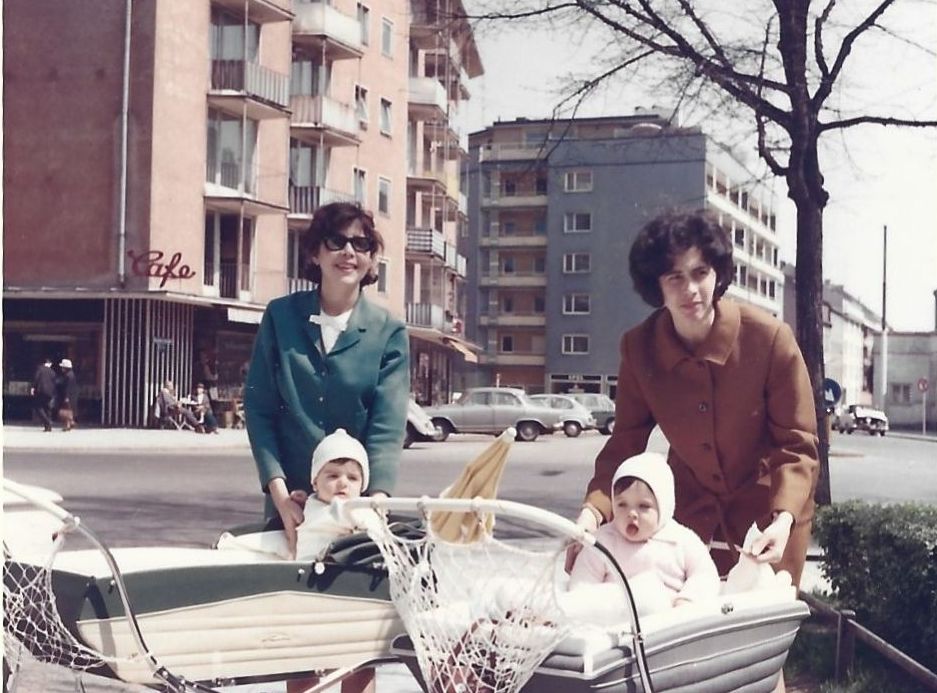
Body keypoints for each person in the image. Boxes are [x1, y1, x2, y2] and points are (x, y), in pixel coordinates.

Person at [571, 209, 819, 593]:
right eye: (675, 277)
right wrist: (592, 512)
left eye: (700, 273)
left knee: (758, 631)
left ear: (717, 273)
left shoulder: (770, 339)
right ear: (657, 285)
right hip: (689, 514)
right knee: (683, 626)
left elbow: (797, 446)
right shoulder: (638, 348)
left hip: (770, 513)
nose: (690, 290)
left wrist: (784, 517)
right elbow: (624, 443)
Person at [245, 201, 410, 558]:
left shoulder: (389, 331)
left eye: (361, 244)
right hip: (290, 502)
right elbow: (259, 410)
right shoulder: (280, 316)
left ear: (371, 259)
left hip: (355, 507)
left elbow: (388, 425)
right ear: (315, 253)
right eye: (336, 241)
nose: (349, 252)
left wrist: (374, 505)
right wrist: (281, 496)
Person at [569, 452, 720, 615]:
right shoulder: (602, 542)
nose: (631, 513)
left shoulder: (682, 540)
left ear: (664, 505)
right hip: (619, 624)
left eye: (643, 506)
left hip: (670, 624)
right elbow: (582, 587)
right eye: (622, 505)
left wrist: (688, 600)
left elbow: (705, 575)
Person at [30, 357, 57, 432]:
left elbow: (36, 378)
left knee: (38, 407)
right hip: (50, 392)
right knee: (47, 408)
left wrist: (32, 387)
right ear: (50, 364)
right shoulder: (52, 372)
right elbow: (54, 382)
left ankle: (47, 422)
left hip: (41, 391)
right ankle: (48, 427)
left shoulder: (40, 369)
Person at [55, 359, 79, 432]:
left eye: (62, 367)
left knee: (66, 411)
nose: (62, 368)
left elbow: (67, 387)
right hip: (72, 396)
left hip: (68, 396)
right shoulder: (71, 374)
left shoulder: (68, 376)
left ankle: (70, 423)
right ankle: (69, 423)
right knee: (68, 410)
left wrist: (66, 397)